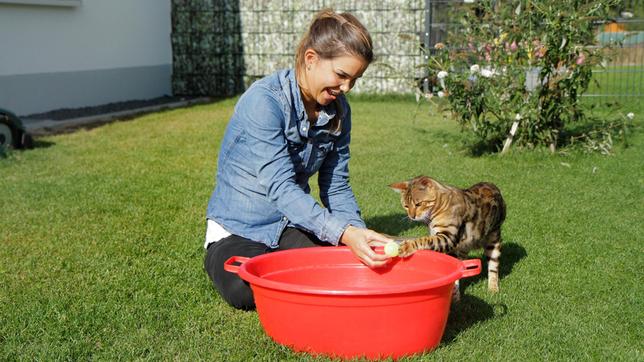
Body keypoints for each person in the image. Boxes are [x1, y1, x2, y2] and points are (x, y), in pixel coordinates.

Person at [203, 9, 393, 310]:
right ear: (310, 59)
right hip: (239, 229)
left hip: (290, 225)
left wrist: (357, 233)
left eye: (354, 80)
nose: (345, 89)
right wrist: (342, 233)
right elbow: (280, 188)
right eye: (341, 76)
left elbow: (336, 187)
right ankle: (231, 260)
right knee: (246, 289)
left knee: (344, 267)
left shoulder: (339, 112)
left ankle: (287, 263)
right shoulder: (263, 102)